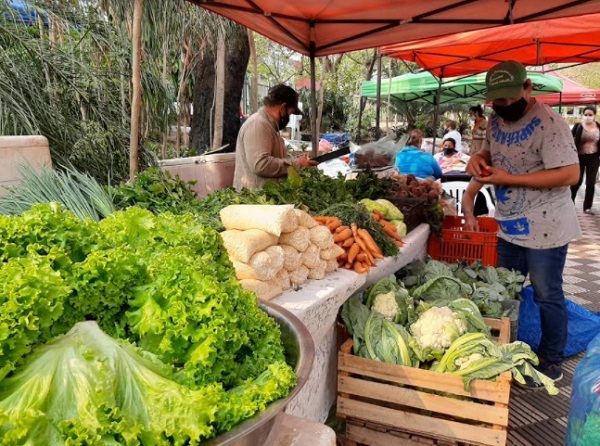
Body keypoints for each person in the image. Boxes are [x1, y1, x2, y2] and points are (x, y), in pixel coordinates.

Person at [463, 60, 580, 383]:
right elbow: (490, 153)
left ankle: (551, 360)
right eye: (497, 101)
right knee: (505, 290)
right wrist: (479, 158)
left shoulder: (550, 124)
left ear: (527, 88)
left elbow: (571, 174)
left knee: (546, 294)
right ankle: (506, 352)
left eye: (509, 98)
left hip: (548, 228)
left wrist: (511, 177)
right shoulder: (495, 121)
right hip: (510, 225)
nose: (503, 106)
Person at [233, 84, 318, 190]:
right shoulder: (258, 124)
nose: (289, 117)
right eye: (290, 113)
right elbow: (260, 165)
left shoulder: (268, 125)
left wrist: (296, 160)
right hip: (255, 200)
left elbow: (275, 158)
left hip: (267, 198)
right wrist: (297, 164)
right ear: (282, 108)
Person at [570, 105, 600, 215]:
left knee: (591, 182)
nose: (587, 117)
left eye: (590, 115)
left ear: (594, 115)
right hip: (579, 157)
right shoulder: (578, 126)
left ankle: (587, 207)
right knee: (577, 181)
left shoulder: (598, 127)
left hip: (594, 157)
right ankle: (570, 202)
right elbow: (569, 139)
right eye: (586, 115)